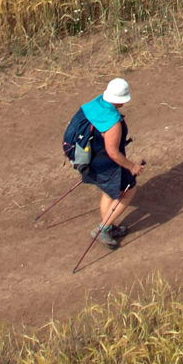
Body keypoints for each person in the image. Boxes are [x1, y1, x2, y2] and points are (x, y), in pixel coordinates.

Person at [64, 76, 144, 248]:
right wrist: (133, 167)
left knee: (109, 192)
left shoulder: (92, 104)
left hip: (88, 158)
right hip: (104, 164)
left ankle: (109, 226)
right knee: (128, 189)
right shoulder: (113, 123)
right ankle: (102, 229)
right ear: (121, 101)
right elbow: (113, 153)